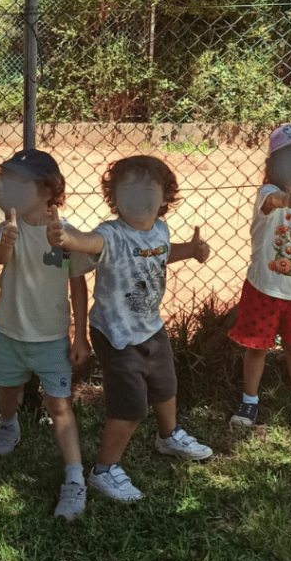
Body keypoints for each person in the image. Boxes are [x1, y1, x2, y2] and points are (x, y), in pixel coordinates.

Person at [49, 155, 213, 503]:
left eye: (148, 189)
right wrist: (66, 236)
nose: (138, 197)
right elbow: (88, 242)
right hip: (117, 334)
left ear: (165, 198)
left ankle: (168, 436)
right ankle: (104, 470)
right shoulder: (112, 233)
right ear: (114, 198)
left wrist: (191, 250)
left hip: (150, 327)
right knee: (130, 406)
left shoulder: (160, 230)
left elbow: (160, 253)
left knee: (165, 385)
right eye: (129, 189)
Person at [0, 148, 91, 521]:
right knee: (9, 390)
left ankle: (75, 479)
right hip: (8, 333)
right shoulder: (6, 228)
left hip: (51, 339)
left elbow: (78, 286)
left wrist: (80, 337)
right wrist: (7, 242)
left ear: (48, 190)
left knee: (59, 406)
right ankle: (9, 425)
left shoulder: (67, 235)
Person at [228, 124, 291, 435]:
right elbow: (272, 204)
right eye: (287, 161)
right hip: (265, 288)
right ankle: (249, 401)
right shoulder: (268, 194)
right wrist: (286, 199)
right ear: (272, 166)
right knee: (257, 348)